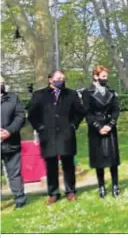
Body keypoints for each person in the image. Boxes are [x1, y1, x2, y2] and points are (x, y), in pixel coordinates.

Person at [27, 70, 85, 204]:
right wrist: (40, 127)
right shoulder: (39, 95)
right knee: (51, 165)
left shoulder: (71, 94)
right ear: (50, 79)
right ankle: (53, 193)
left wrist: (73, 125)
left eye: (63, 78)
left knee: (68, 164)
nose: (61, 80)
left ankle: (70, 191)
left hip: (66, 134)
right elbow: (32, 114)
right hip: (48, 135)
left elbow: (80, 112)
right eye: (59, 78)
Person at [81, 65, 121, 199]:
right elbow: (87, 112)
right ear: (96, 76)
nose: (105, 79)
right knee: (99, 159)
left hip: (110, 127)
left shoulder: (111, 91)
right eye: (103, 76)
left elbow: (116, 109)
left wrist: (110, 124)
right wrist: (98, 126)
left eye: (106, 76)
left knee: (113, 158)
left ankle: (115, 185)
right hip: (95, 128)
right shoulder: (87, 92)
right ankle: (101, 186)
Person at [0, 76, 27, 208]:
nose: (1, 85)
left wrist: (9, 131)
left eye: (2, 83)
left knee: (14, 173)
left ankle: (20, 200)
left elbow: (20, 116)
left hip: (11, 142)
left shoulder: (13, 98)